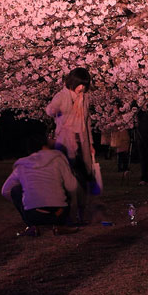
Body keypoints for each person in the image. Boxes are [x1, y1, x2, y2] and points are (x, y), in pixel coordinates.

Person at [1, 124, 83, 236]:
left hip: (33, 214)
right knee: (67, 182)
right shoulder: (58, 159)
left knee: (16, 189)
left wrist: (26, 200)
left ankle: (32, 226)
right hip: (59, 213)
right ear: (44, 144)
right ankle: (61, 225)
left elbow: (5, 191)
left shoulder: (22, 165)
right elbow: (72, 186)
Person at [46, 67, 97, 222]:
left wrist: (91, 143)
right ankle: (65, 213)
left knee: (83, 177)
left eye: (85, 85)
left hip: (82, 140)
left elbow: (87, 120)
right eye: (80, 84)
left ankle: (82, 212)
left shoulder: (85, 98)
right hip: (65, 142)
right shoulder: (62, 96)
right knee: (65, 177)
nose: (82, 88)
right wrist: (56, 111)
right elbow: (49, 110)